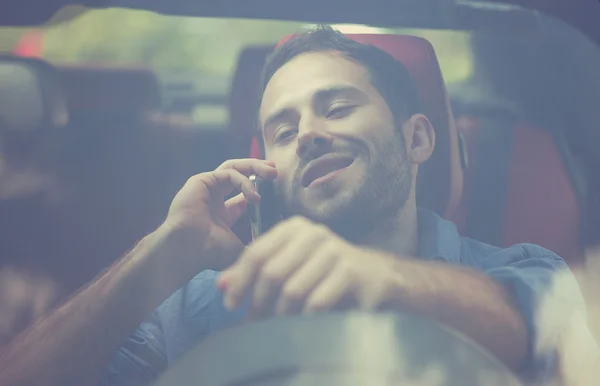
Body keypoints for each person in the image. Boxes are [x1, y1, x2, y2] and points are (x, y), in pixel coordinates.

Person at [0, 26, 585, 386]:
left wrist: (378, 277)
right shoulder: (205, 302)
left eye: (335, 107)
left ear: (418, 140)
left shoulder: (515, 272)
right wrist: (161, 251)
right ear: (269, 171)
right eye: (283, 129)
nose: (306, 133)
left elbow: (551, 336)